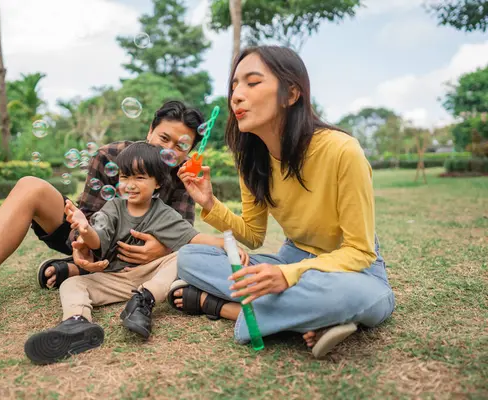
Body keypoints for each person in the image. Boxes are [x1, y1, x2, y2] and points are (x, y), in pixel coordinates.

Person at [0, 100, 205, 351]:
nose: (171, 151)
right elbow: (88, 216)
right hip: (90, 239)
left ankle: (71, 270)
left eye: (182, 145)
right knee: (29, 186)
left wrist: (162, 247)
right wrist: (82, 244)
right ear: (149, 130)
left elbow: (183, 238)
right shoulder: (111, 156)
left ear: (190, 150)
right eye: (164, 138)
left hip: (137, 261)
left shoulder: (184, 177)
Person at [169, 46, 395, 358]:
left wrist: (289, 276)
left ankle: (223, 308)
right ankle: (307, 318)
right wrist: (209, 203)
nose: (236, 95)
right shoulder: (252, 159)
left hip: (351, 271)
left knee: (357, 297)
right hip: (291, 260)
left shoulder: (343, 151)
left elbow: (359, 252)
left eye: (252, 82)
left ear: (290, 94)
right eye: (234, 85)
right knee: (191, 258)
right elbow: (251, 235)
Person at [24, 142, 248, 364]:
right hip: (115, 277)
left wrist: (227, 244)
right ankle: (76, 322)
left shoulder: (164, 214)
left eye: (139, 178)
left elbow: (195, 239)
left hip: (149, 276)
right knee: (71, 285)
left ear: (158, 182)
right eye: (124, 177)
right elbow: (95, 241)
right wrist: (84, 228)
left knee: (184, 254)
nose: (130, 184)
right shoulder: (112, 207)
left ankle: (144, 300)